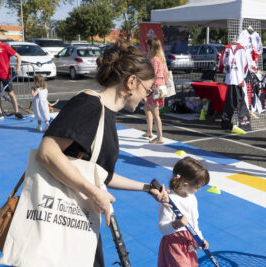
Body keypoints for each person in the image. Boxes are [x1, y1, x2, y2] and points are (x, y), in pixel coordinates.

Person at [36, 40, 169, 267]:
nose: (147, 97)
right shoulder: (89, 105)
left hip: (79, 220)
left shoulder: (106, 114)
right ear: (131, 82)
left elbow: (99, 174)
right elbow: (47, 152)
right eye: (147, 90)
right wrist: (94, 192)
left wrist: (147, 188)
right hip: (61, 222)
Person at [158, 157, 210, 267]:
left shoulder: (192, 198)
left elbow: (194, 222)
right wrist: (177, 224)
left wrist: (200, 238)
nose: (199, 189)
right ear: (185, 184)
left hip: (190, 241)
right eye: (198, 186)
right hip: (174, 245)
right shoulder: (168, 200)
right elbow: (162, 228)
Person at [143, 38, 166, 144]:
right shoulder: (161, 58)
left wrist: (146, 87)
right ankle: (150, 131)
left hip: (154, 87)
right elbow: (164, 73)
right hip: (160, 86)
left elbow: (152, 75)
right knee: (148, 108)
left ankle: (159, 137)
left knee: (155, 112)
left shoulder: (153, 59)